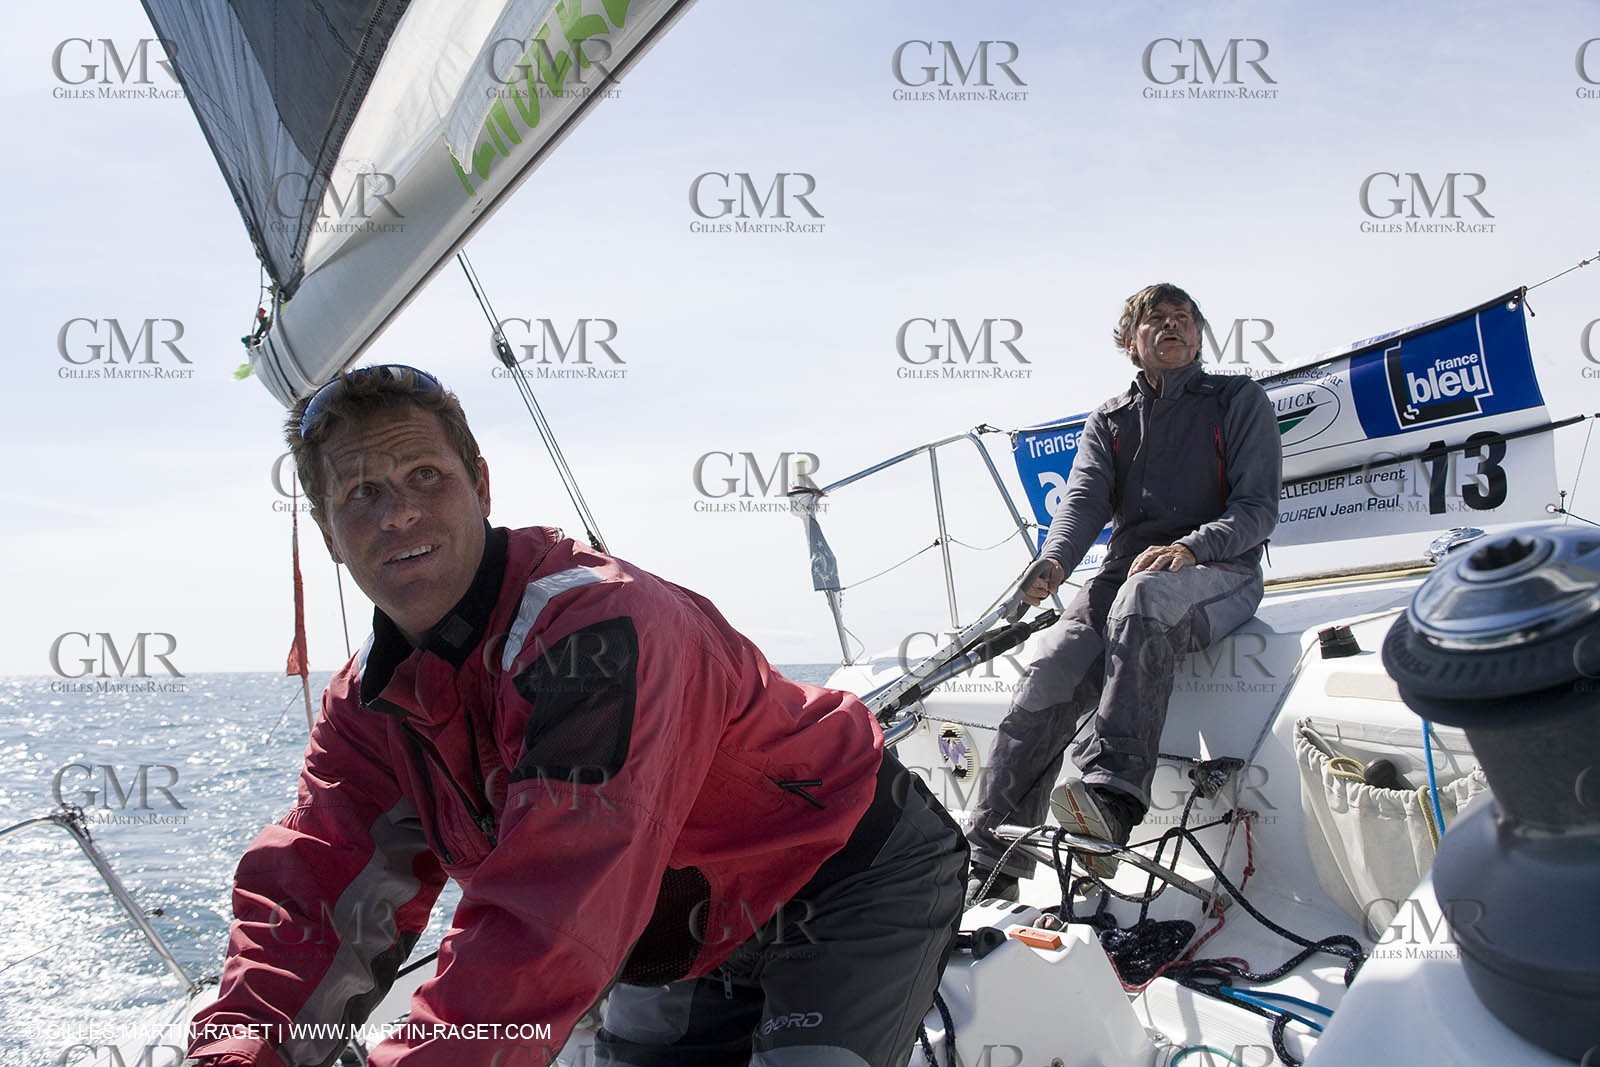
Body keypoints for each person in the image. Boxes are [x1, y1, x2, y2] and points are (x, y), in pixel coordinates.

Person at [185, 366, 967, 1067]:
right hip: (677, 933)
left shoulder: (599, 631)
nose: (398, 514)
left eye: (425, 474)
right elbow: (321, 891)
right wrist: (240, 1051)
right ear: (327, 532)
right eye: (361, 493)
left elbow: (557, 901)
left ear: (481, 488)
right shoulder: (368, 708)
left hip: (843, 877)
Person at [967, 284, 1281, 900]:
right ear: (1130, 343)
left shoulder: (1238, 400)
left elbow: (1257, 509)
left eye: (1184, 319)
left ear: (1199, 334)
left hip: (1222, 571)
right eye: (1156, 320)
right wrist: (1055, 561)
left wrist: (1193, 547)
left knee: (1144, 598)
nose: (1173, 327)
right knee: (1052, 668)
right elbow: (1082, 502)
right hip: (1126, 574)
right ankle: (987, 860)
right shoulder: (1109, 421)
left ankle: (1112, 798)